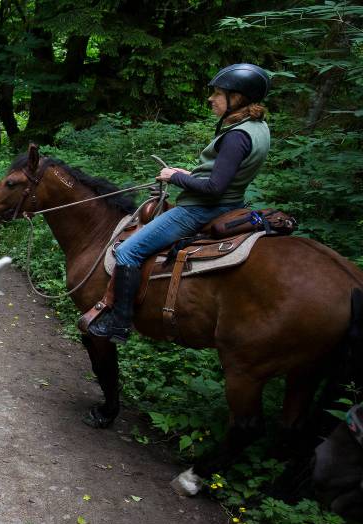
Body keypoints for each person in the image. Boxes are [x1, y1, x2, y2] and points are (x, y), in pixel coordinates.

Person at [87, 63, 272, 343]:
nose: (211, 98)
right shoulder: (256, 127)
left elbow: (213, 187)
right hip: (232, 202)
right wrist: (189, 174)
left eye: (219, 94)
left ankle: (119, 323)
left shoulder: (236, 136)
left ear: (239, 98)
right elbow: (224, 174)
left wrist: (174, 177)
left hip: (201, 209)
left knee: (127, 251)